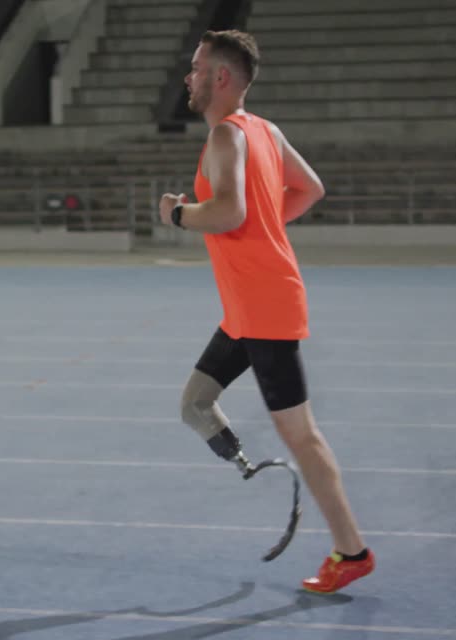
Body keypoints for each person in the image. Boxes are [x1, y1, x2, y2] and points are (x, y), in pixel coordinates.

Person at [158, 29, 373, 594]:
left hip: (265, 309)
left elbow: (228, 212)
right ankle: (244, 463)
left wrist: (179, 216)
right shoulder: (266, 131)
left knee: (301, 435)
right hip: (245, 310)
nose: (189, 75)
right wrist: (264, 226)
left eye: (197, 67)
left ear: (220, 79)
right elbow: (311, 190)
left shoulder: (228, 136)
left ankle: (351, 551)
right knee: (195, 404)